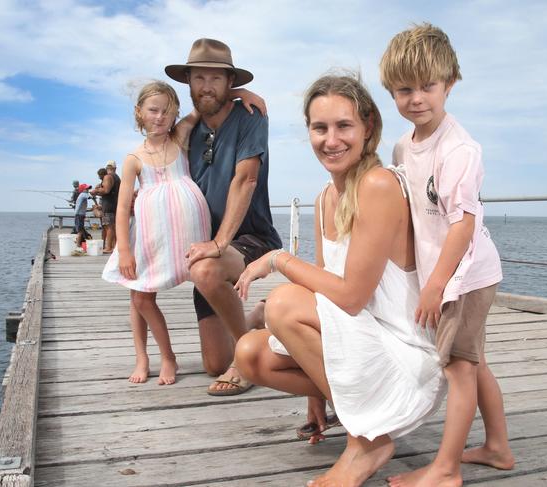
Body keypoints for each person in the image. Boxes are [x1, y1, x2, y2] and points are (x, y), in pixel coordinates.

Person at [234, 73, 446, 487]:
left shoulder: (378, 184)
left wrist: (278, 258)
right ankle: (348, 407)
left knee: (281, 303)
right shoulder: (324, 198)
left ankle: (368, 441)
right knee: (249, 354)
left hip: (403, 356)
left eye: (344, 126)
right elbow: (325, 289)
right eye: (320, 128)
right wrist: (316, 393)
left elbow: (349, 297)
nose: (331, 140)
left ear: (368, 127)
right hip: (358, 340)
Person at [379, 23, 514, 487]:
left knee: (458, 366)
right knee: (474, 359)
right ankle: (497, 446)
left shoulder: (459, 149)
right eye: (404, 89)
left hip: (465, 275)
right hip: (447, 273)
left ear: (449, 83)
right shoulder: (402, 145)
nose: (417, 98)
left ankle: (445, 469)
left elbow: (463, 222)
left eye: (428, 87)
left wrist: (435, 284)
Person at [102, 80, 265, 385]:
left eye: (167, 110)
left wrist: (239, 93)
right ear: (139, 113)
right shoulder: (133, 159)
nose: (160, 117)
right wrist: (124, 249)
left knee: (205, 291)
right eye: (153, 110)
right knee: (140, 298)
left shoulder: (180, 137)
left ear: (175, 112)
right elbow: (123, 208)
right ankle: (157, 356)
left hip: (190, 237)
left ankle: (248, 322)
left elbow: (204, 104)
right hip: (152, 238)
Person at [165, 38, 282, 395]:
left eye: (216, 79)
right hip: (208, 243)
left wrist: (220, 242)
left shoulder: (251, 117)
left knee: (204, 269)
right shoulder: (185, 132)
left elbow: (245, 178)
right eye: (199, 78)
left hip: (249, 237)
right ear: (188, 83)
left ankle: (245, 361)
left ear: (230, 82)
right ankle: (257, 319)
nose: (207, 86)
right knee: (213, 363)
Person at [91, 160, 120, 253]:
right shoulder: (117, 178)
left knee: (108, 227)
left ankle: (108, 248)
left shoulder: (108, 176)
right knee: (113, 226)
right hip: (115, 205)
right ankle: (114, 246)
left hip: (108, 205)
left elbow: (106, 191)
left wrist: (95, 191)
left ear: (107, 168)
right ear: (115, 168)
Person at [74, 183, 91, 249]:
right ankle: (78, 245)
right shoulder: (83, 194)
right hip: (79, 215)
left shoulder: (83, 195)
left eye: (88, 189)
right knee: (80, 231)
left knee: (80, 230)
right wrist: (96, 192)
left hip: (80, 215)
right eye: (86, 189)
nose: (88, 190)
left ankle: (79, 244)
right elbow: (90, 196)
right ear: (83, 190)